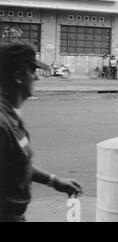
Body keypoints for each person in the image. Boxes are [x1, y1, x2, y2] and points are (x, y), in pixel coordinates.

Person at [0, 42, 82, 222]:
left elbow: (19, 163)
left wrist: (53, 180)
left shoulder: (11, 116)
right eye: (33, 71)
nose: (36, 78)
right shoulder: (2, 124)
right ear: (18, 76)